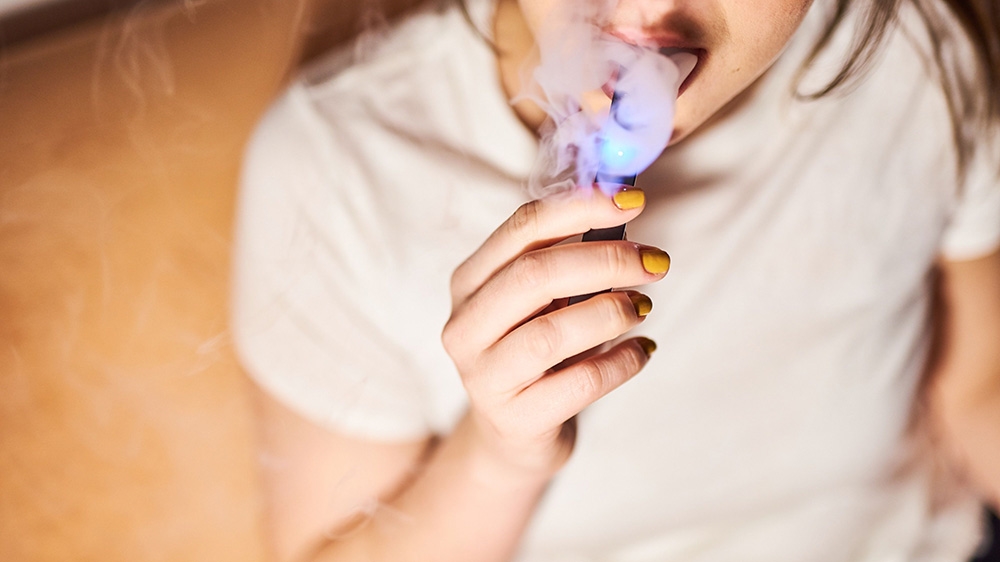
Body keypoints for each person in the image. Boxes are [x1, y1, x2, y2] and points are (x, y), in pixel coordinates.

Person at [230, 0, 1000, 560]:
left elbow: (978, 390)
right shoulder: (336, 166)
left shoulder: (919, 51)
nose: (647, 5)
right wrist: (499, 455)